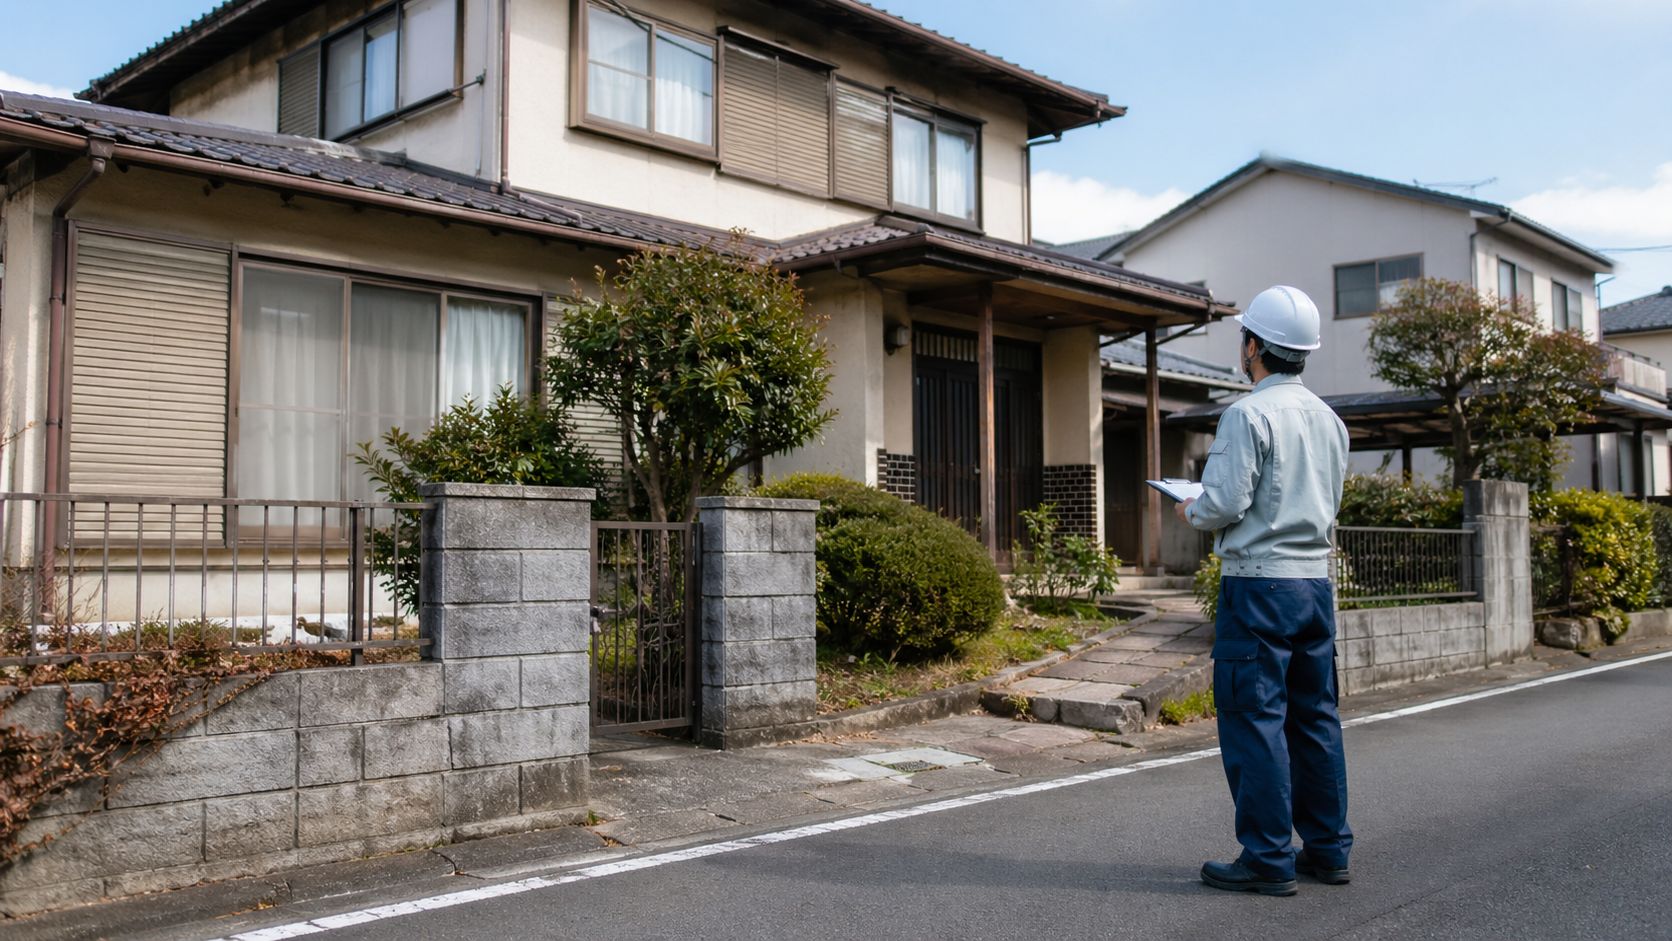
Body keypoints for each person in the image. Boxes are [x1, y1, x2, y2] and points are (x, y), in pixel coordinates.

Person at [1175, 284, 1352, 897]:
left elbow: (1223, 502)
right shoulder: (1331, 420)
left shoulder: (1247, 414)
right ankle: (1328, 850)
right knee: (1315, 718)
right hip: (1314, 584)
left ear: (1253, 346)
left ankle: (1268, 857)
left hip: (1258, 586)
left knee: (1256, 719)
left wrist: (1193, 507)